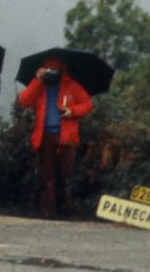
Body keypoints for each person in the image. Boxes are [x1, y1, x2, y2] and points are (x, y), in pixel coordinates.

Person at [17, 58, 93, 218]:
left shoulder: (71, 85)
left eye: (55, 70)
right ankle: (48, 213)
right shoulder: (40, 86)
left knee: (67, 174)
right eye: (48, 70)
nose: (51, 73)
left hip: (67, 136)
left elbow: (87, 104)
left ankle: (66, 210)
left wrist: (72, 111)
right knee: (47, 176)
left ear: (62, 70)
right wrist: (37, 80)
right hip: (45, 135)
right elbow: (24, 100)